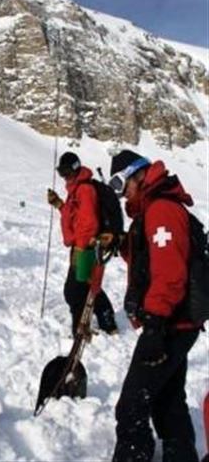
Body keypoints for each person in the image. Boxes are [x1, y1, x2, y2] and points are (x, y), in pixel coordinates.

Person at [108, 150, 201, 462]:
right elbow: (151, 261)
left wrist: (155, 327)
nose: (121, 194)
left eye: (121, 184)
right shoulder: (153, 209)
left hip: (170, 323)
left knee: (131, 405)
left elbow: (170, 274)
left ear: (139, 174)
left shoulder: (161, 210)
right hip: (177, 322)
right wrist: (121, 243)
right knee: (167, 398)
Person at [46, 151, 118, 336]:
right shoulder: (75, 189)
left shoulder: (84, 190)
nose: (64, 176)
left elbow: (89, 224)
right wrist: (59, 204)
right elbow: (74, 217)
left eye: (67, 172)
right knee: (86, 285)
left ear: (76, 169)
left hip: (85, 249)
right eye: (61, 172)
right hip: (82, 247)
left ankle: (81, 329)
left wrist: (81, 248)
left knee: (73, 291)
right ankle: (107, 321)